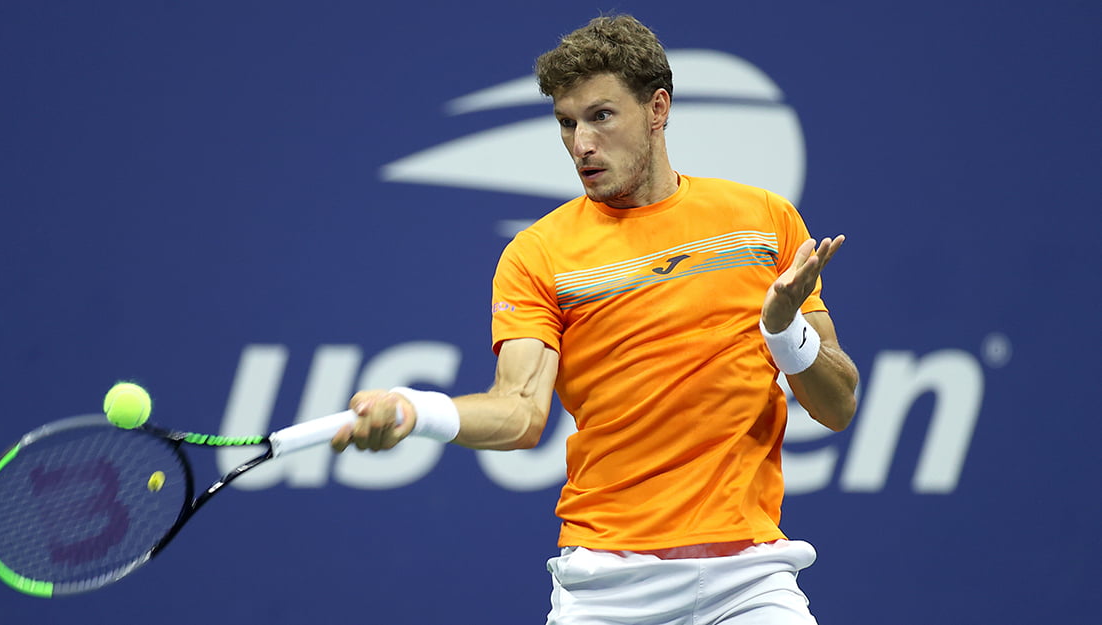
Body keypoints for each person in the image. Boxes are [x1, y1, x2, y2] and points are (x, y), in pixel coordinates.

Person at [330, 14, 859, 625]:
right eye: (566, 122)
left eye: (601, 116)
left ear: (657, 109)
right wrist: (414, 411)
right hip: (606, 588)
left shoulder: (762, 220)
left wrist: (782, 330)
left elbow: (838, 405)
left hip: (751, 581)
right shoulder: (538, 253)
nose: (581, 143)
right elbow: (522, 413)